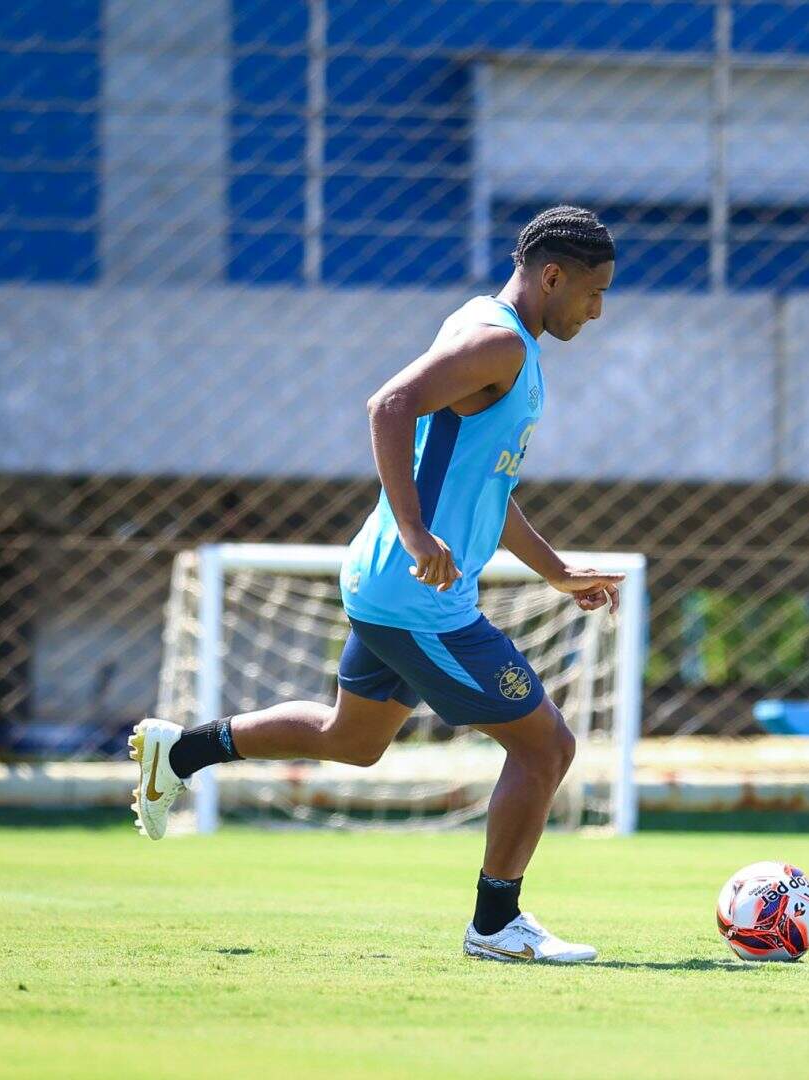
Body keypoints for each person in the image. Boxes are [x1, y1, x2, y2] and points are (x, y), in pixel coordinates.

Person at [129, 206, 626, 962]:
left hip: (388, 587)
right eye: (594, 293)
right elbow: (388, 405)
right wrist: (415, 531)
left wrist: (555, 571)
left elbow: (486, 485)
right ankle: (496, 926)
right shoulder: (496, 343)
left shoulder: (497, 334)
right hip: (418, 597)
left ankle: (182, 753)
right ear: (552, 276)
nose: (597, 311)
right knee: (546, 748)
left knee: (352, 739)